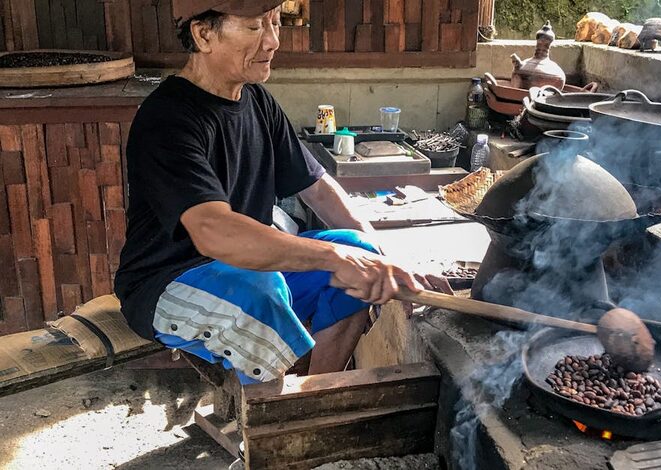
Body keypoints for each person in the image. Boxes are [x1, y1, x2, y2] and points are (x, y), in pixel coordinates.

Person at [114, 0, 445, 385]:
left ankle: (313, 396)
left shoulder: (256, 101)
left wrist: (386, 262)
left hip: (246, 271)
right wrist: (334, 257)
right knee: (261, 292)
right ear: (203, 34)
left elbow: (317, 187)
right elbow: (213, 232)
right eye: (256, 28)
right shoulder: (167, 119)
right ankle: (269, 432)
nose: (272, 42)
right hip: (166, 282)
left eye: (275, 25)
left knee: (360, 250)